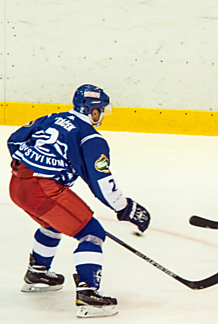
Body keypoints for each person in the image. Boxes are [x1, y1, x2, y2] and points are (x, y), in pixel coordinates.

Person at [8, 84, 151, 318]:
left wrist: (33, 167)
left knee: (53, 223)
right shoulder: (90, 137)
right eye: (101, 110)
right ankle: (88, 294)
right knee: (91, 232)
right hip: (43, 189)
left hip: (17, 185)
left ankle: (38, 272)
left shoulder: (52, 117)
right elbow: (101, 182)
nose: (102, 115)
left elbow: (14, 141)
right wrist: (125, 207)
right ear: (93, 111)